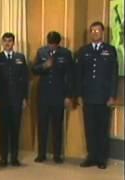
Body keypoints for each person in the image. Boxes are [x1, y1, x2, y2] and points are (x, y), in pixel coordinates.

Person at [75, 21, 118, 169]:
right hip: (88, 96)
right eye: (92, 31)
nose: (94, 33)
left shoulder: (110, 50)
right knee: (90, 128)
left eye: (97, 30)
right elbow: (78, 75)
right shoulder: (83, 50)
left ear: (103, 32)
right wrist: (79, 95)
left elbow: (113, 75)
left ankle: (102, 158)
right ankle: (91, 156)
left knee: (102, 128)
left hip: (104, 97)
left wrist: (112, 95)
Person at [32, 31, 74, 164]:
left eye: (54, 45)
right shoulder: (41, 52)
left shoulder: (66, 54)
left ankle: (57, 154)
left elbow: (70, 76)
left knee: (57, 126)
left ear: (58, 43)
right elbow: (34, 69)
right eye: (50, 44)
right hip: (43, 95)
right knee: (42, 125)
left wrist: (68, 96)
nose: (51, 47)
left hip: (58, 95)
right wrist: (44, 66)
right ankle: (41, 154)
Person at [0, 32, 29, 167]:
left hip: (17, 99)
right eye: (5, 41)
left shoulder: (20, 58)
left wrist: (25, 98)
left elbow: (25, 79)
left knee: (15, 129)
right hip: (2, 100)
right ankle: (4, 157)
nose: (7, 43)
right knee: (4, 130)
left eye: (10, 41)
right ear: (2, 43)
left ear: (13, 43)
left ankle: (15, 157)